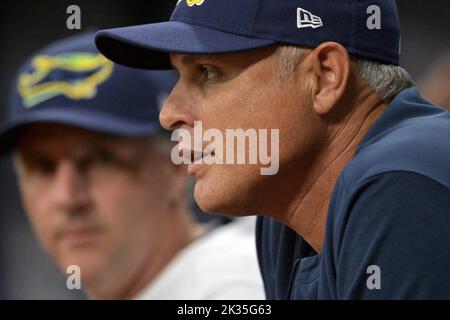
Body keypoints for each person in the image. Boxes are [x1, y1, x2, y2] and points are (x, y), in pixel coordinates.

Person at [95, 0, 450, 299]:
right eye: (178, 77)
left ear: (325, 77)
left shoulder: (402, 181)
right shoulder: (285, 219)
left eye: (207, 71)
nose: (168, 113)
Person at [0, 32, 264, 300]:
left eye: (101, 160)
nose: (67, 198)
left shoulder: (232, 288)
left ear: (176, 167)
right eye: (43, 167)